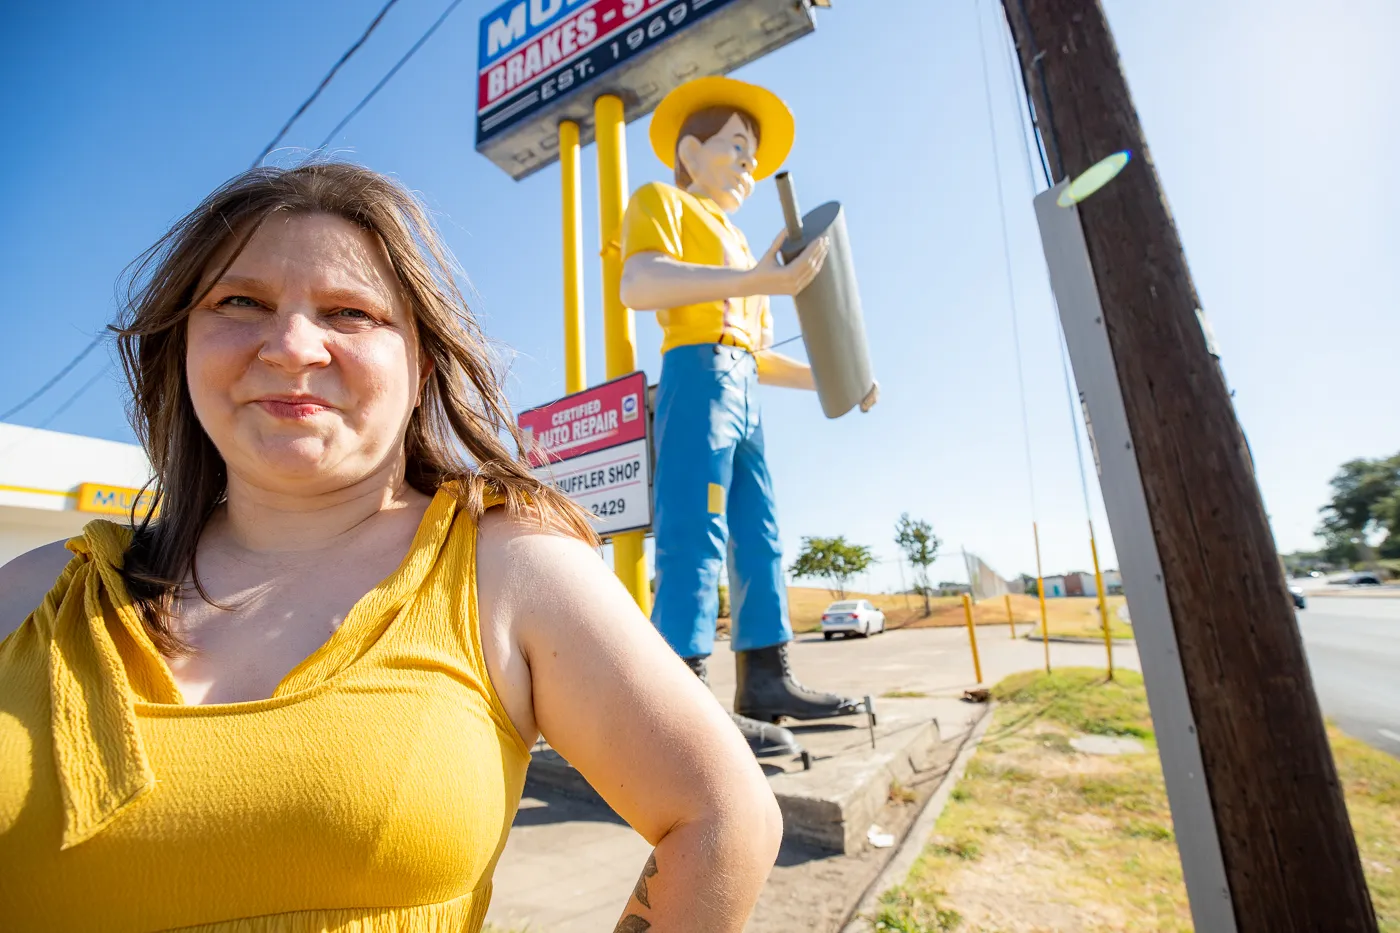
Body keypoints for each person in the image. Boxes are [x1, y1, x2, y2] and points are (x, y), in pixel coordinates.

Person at [0, 162, 782, 932]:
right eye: (241, 301)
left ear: (421, 369)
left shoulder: (506, 565)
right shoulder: (34, 593)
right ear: (182, 346)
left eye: (349, 313)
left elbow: (722, 816)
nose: (291, 346)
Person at [619, 77, 878, 759]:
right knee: (693, 529)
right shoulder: (662, 201)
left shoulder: (742, 243)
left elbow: (758, 354)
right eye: (737, 146)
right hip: (696, 374)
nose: (749, 166)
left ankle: (766, 676)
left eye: (754, 157)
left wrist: (843, 378)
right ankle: (679, 696)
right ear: (691, 151)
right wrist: (755, 281)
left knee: (759, 533)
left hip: (743, 388)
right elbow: (639, 284)